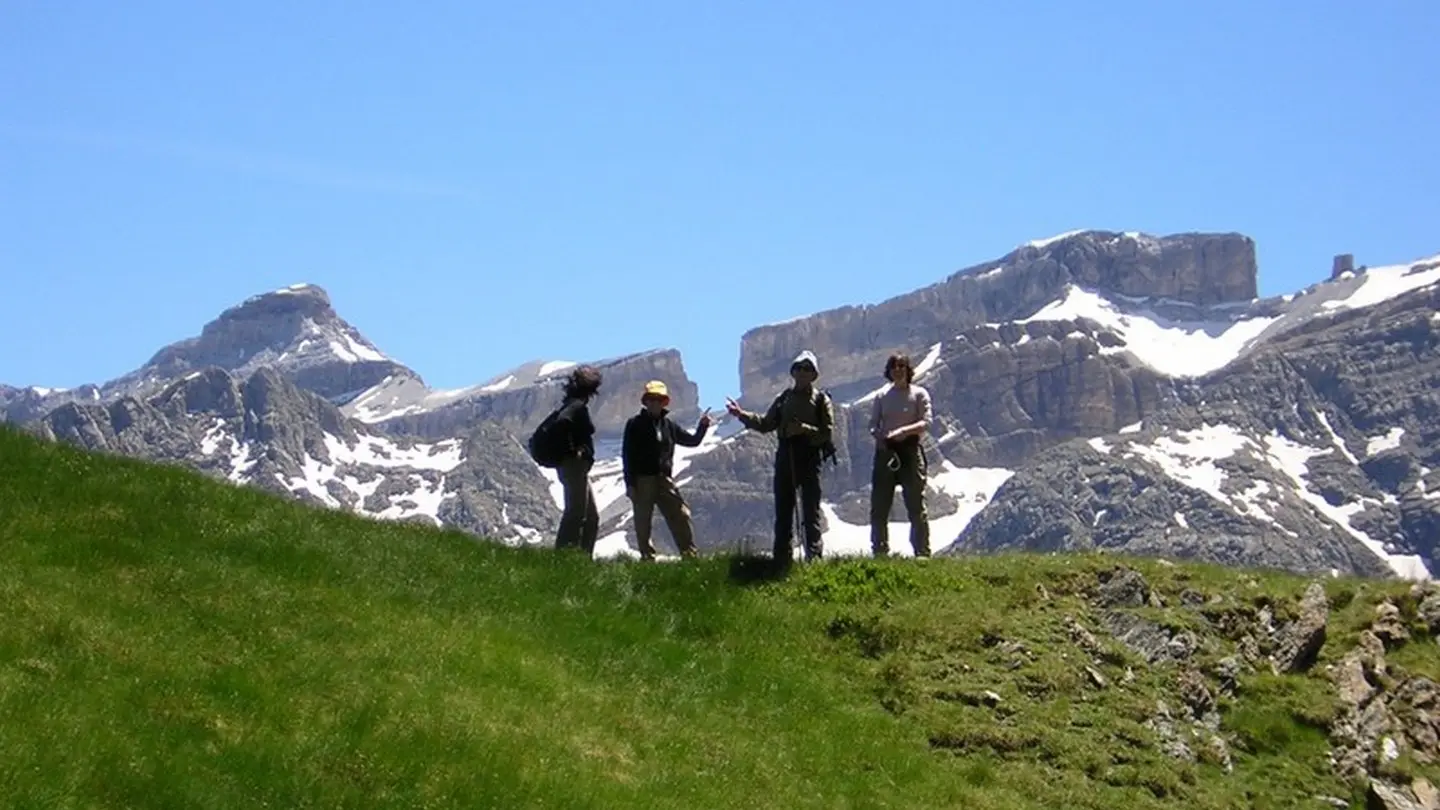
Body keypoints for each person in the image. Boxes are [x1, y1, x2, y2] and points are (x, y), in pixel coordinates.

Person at [725, 350, 836, 563]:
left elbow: (826, 433)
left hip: (810, 457)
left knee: (810, 509)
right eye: (799, 368)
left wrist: (802, 429)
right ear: (793, 372)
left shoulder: (821, 399)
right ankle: (781, 558)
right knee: (784, 509)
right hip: (786, 455)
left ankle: (814, 556)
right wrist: (741, 415)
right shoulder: (783, 398)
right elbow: (766, 424)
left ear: (814, 375)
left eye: (808, 369)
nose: (803, 372)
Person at [621, 380, 713, 560]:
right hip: (642, 480)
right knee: (643, 522)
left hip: (664, 479)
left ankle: (689, 555)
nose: (655, 403)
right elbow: (627, 456)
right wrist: (630, 483)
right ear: (645, 402)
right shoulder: (634, 424)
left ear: (664, 403)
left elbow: (692, 441)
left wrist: (703, 426)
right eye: (652, 399)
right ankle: (647, 558)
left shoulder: (669, 425)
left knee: (681, 514)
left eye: (659, 400)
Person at [868, 353, 933, 557]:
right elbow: (872, 423)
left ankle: (922, 551)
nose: (898, 370)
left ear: (908, 370)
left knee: (915, 503)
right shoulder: (881, 396)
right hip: (886, 452)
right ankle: (879, 550)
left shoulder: (919, 394)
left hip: (911, 451)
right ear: (889, 371)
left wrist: (904, 432)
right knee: (880, 503)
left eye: (902, 366)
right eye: (894, 367)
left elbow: (926, 421)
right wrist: (880, 435)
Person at [552, 365, 603, 554]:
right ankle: (565, 555)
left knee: (590, 516)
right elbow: (562, 423)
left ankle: (581, 557)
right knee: (576, 513)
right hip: (574, 466)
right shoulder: (576, 407)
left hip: (574, 466)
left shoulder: (571, 404)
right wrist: (575, 451)